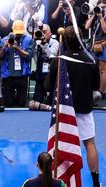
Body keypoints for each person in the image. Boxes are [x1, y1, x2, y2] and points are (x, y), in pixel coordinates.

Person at [46, 26, 101, 187]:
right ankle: (96, 183)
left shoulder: (60, 59)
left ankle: (59, 181)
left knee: (59, 144)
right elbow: (96, 85)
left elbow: (49, 84)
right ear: (81, 39)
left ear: (66, 41)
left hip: (63, 110)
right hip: (84, 109)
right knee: (90, 143)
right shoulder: (91, 59)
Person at [0, 20, 34, 107]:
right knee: (8, 104)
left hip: (22, 75)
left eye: (19, 33)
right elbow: (0, 56)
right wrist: (4, 46)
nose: (17, 35)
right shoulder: (4, 40)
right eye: (16, 33)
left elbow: (28, 56)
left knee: (21, 104)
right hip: (8, 76)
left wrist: (17, 48)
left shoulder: (28, 39)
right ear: (12, 29)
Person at [29, 24, 59, 111]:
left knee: (52, 102)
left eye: (45, 32)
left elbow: (52, 56)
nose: (42, 34)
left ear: (50, 33)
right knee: (35, 101)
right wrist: (34, 42)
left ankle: (47, 103)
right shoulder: (37, 43)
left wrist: (44, 43)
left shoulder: (55, 42)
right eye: (41, 32)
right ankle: (44, 105)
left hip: (51, 74)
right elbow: (33, 57)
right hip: (40, 74)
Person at [84, 0, 106, 96]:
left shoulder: (103, 17)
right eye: (100, 7)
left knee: (103, 70)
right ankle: (95, 90)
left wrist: (101, 18)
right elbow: (86, 26)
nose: (102, 8)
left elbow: (105, 31)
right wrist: (94, 14)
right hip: (94, 45)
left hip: (104, 45)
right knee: (94, 68)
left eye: (104, 7)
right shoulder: (95, 16)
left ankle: (100, 92)